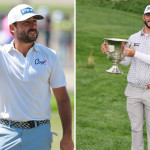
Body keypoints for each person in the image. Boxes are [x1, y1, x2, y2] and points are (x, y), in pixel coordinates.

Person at [0, 4, 74, 150]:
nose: (33, 26)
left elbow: (63, 99)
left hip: (39, 134)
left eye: (34, 22)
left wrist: (67, 136)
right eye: (26, 23)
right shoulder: (2, 55)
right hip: (6, 133)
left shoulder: (50, 56)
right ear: (12, 28)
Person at [101, 5, 150, 150]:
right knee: (135, 128)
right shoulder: (133, 38)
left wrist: (135, 53)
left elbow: (138, 56)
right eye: (148, 15)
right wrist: (111, 53)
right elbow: (126, 62)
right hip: (133, 90)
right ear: (143, 17)